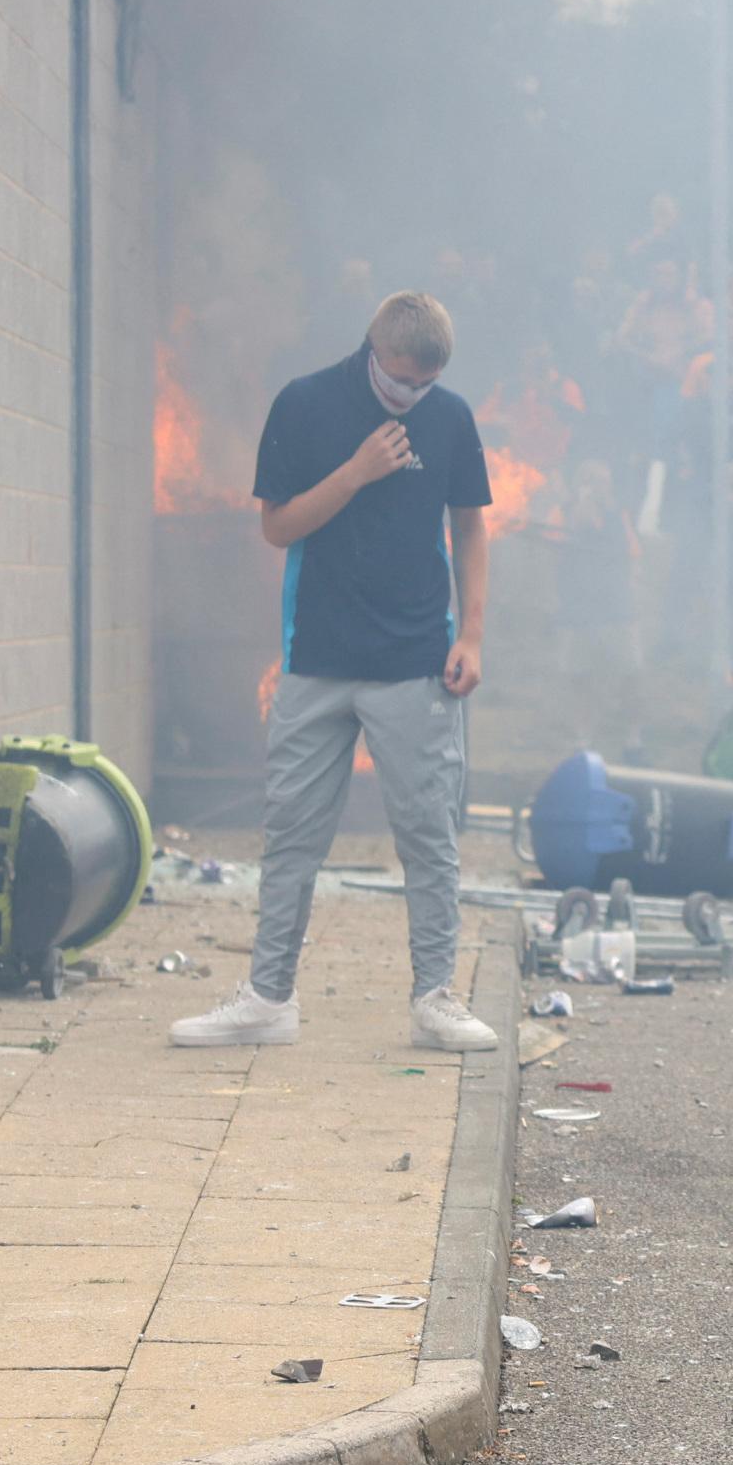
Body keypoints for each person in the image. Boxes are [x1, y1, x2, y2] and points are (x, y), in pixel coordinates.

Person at [173, 292, 499, 1055]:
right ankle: (267, 997)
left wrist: (473, 637)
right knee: (291, 836)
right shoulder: (306, 404)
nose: (412, 395)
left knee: (429, 836)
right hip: (315, 659)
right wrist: (355, 472)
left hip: (417, 662)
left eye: (425, 383)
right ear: (374, 353)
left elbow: (471, 525)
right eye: (401, 380)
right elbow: (277, 525)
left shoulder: (449, 418)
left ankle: (436, 998)